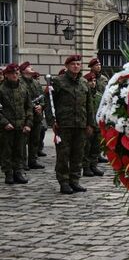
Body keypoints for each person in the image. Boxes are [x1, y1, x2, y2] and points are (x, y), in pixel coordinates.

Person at [46, 55, 95, 194]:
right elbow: (49, 103)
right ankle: (64, 182)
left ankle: (75, 180)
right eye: (73, 64)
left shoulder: (84, 83)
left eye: (78, 64)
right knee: (63, 155)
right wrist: (52, 121)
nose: (76, 66)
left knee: (78, 154)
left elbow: (89, 105)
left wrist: (90, 123)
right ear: (67, 66)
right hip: (64, 125)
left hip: (80, 124)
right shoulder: (58, 82)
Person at [0, 63, 32, 185]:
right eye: (12, 73)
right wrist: (4, 123)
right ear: (6, 75)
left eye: (17, 73)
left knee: (20, 151)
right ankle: (8, 173)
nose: (15, 75)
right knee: (7, 151)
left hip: (21, 125)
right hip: (7, 127)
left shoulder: (23, 88)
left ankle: (18, 171)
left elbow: (29, 107)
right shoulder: (2, 89)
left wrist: (28, 123)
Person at [19, 62, 46, 170]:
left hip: (36, 115)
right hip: (24, 116)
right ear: (23, 70)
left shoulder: (36, 83)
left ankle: (32, 160)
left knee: (35, 139)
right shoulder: (19, 82)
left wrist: (41, 106)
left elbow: (42, 98)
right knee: (23, 141)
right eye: (29, 67)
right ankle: (22, 162)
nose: (31, 68)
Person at [81, 71, 104, 177]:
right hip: (88, 124)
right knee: (87, 147)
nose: (93, 83)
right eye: (90, 81)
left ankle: (93, 165)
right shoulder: (84, 95)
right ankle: (86, 167)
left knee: (96, 147)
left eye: (94, 81)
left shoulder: (99, 95)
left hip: (98, 125)